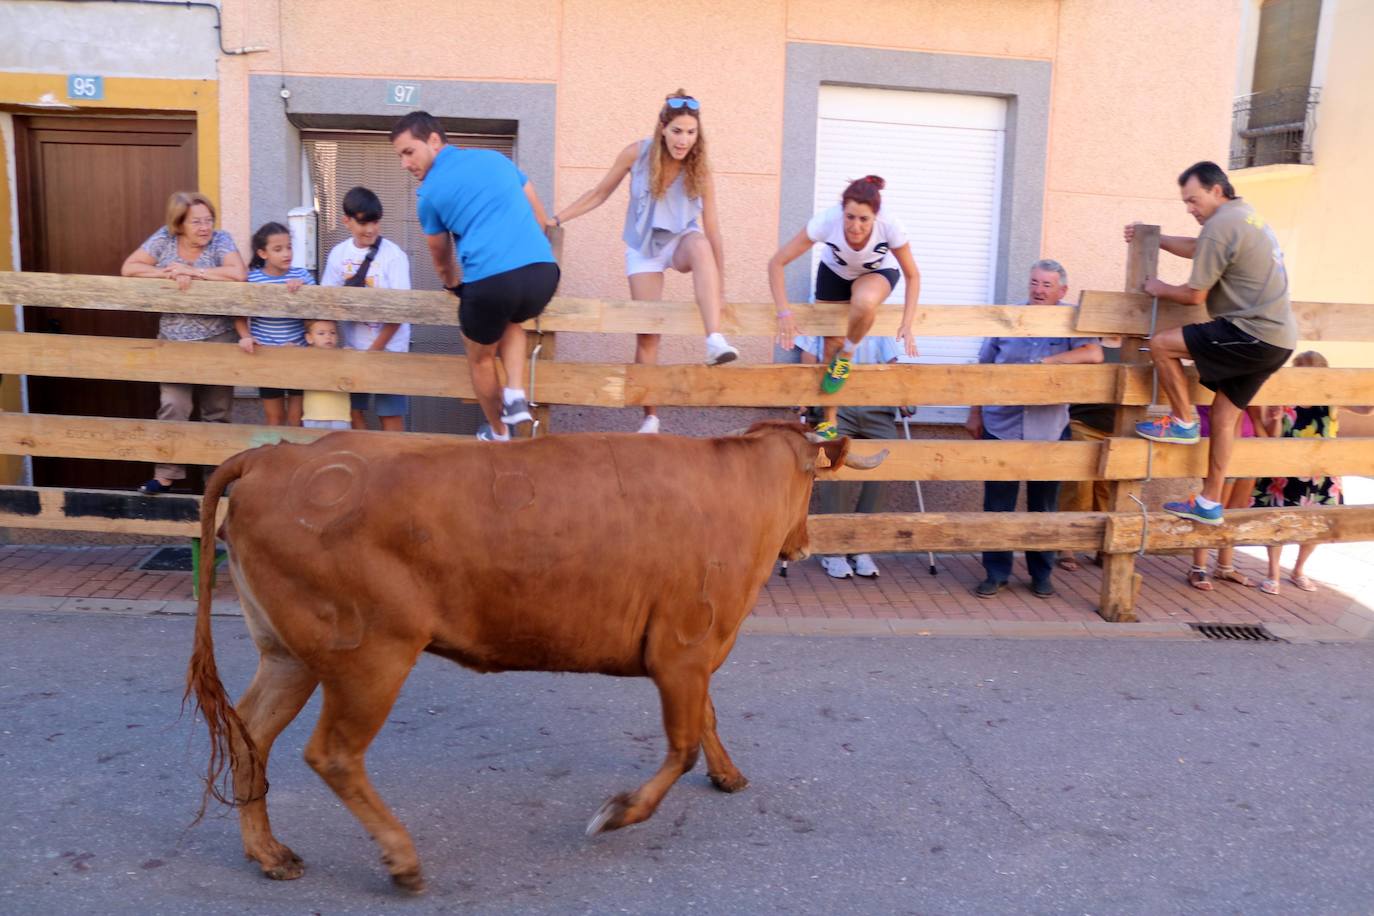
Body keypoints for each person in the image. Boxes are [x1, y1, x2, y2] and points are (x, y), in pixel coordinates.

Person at [549, 91, 738, 434]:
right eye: (678, 131)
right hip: (644, 247)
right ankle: (650, 417)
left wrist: (721, 285)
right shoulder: (636, 154)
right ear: (663, 128)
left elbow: (713, 230)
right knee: (648, 335)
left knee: (700, 244)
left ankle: (714, 340)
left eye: (691, 132)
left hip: (681, 240)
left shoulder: (700, 170)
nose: (684, 140)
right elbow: (599, 193)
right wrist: (558, 218)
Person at [1126, 161, 1296, 525]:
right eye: (1186, 203)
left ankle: (1183, 420)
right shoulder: (1242, 215)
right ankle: (1209, 502)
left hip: (1251, 333)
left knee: (1160, 344)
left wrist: (1159, 288)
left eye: (1193, 200)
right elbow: (1201, 247)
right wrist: (1152, 237)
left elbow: (1194, 296)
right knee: (1223, 416)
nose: (1190, 209)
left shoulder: (1220, 226)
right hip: (1278, 340)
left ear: (1216, 190)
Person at [391, 111, 559, 442]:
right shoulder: (496, 159)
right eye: (400, 156)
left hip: (492, 282)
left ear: (434, 140)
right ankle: (515, 393)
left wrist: (454, 286)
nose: (404, 164)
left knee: (479, 357)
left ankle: (499, 433)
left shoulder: (428, 194)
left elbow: (441, 259)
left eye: (408, 152)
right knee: (512, 318)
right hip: (544, 274)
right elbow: (540, 217)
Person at [966, 260, 1103, 599]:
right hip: (1002, 424)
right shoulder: (1010, 317)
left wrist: (1048, 364)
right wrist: (975, 413)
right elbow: (982, 368)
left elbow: (1095, 353)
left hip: (1050, 428)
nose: (1039, 290)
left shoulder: (1071, 320)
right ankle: (996, 573)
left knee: (1045, 506)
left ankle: (1041, 574)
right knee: (998, 505)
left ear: (1062, 291)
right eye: (1034, 283)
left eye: (1046, 285)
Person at [768, 175, 920, 440]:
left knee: (864, 303)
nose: (856, 226)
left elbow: (912, 275)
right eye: (850, 217)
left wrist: (907, 322)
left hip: (877, 273)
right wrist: (784, 312)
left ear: (876, 216)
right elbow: (777, 263)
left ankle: (847, 355)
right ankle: (829, 420)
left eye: (864, 219)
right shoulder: (826, 222)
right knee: (830, 343)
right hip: (835, 273)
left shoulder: (890, 225)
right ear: (842, 212)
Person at [120, 191, 247, 494]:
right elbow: (130, 268)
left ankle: (216, 480)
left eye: (209, 220)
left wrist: (195, 272)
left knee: (217, 412)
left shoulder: (221, 240)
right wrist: (165, 273)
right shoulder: (164, 239)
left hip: (218, 339)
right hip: (174, 342)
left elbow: (238, 274)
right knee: (173, 405)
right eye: (197, 222)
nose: (205, 227)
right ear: (179, 224)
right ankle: (166, 474)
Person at [1252, 350, 1374, 596]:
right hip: (1285, 473)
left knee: (1319, 525)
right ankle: (1272, 573)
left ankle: (1298, 570)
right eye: (1302, 372)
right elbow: (1271, 436)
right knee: (1278, 523)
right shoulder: (1283, 399)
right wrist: (1275, 418)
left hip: (1323, 474)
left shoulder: (1330, 398)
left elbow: (1366, 409)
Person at [795, 334, 902, 579]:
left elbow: (892, 360)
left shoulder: (874, 311)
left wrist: (901, 395)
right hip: (836, 407)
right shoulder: (824, 305)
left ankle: (860, 547)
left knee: (886, 465)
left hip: (876, 404)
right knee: (835, 468)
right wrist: (804, 395)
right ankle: (834, 551)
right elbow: (808, 356)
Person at [320, 187, 412, 433]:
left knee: (390, 415)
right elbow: (326, 301)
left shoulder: (394, 256)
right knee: (352, 413)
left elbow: (401, 311)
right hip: (352, 348)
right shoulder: (339, 254)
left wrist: (373, 352)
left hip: (390, 350)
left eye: (374, 222)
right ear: (347, 221)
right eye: (363, 223)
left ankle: (394, 468)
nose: (370, 229)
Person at [237, 221, 314, 427]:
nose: (286, 253)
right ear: (263, 253)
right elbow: (238, 313)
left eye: (289, 247)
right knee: (274, 418)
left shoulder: (302, 275)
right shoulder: (252, 279)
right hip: (266, 356)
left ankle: (295, 459)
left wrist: (304, 289)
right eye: (278, 249)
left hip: (298, 355)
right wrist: (245, 335)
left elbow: (318, 311)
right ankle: (275, 459)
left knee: (296, 418)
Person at [1055, 341, 1120, 571]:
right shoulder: (1088, 343)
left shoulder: (1137, 345)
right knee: (1078, 487)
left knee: (1107, 489)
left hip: (1119, 428)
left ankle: (1103, 547)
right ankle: (1067, 546)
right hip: (1082, 421)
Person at [1185, 405, 1263, 591]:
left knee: (1237, 509)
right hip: (1220, 442)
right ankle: (1198, 568)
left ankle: (1225, 567)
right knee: (1211, 506)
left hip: (1247, 439)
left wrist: (1261, 435)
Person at [300, 320, 352, 431]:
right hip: (313, 416)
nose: (328, 337)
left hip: (340, 417)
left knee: (340, 447)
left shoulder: (343, 357)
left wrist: (351, 358)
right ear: (309, 338)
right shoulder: (305, 357)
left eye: (332, 333)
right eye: (321, 333)